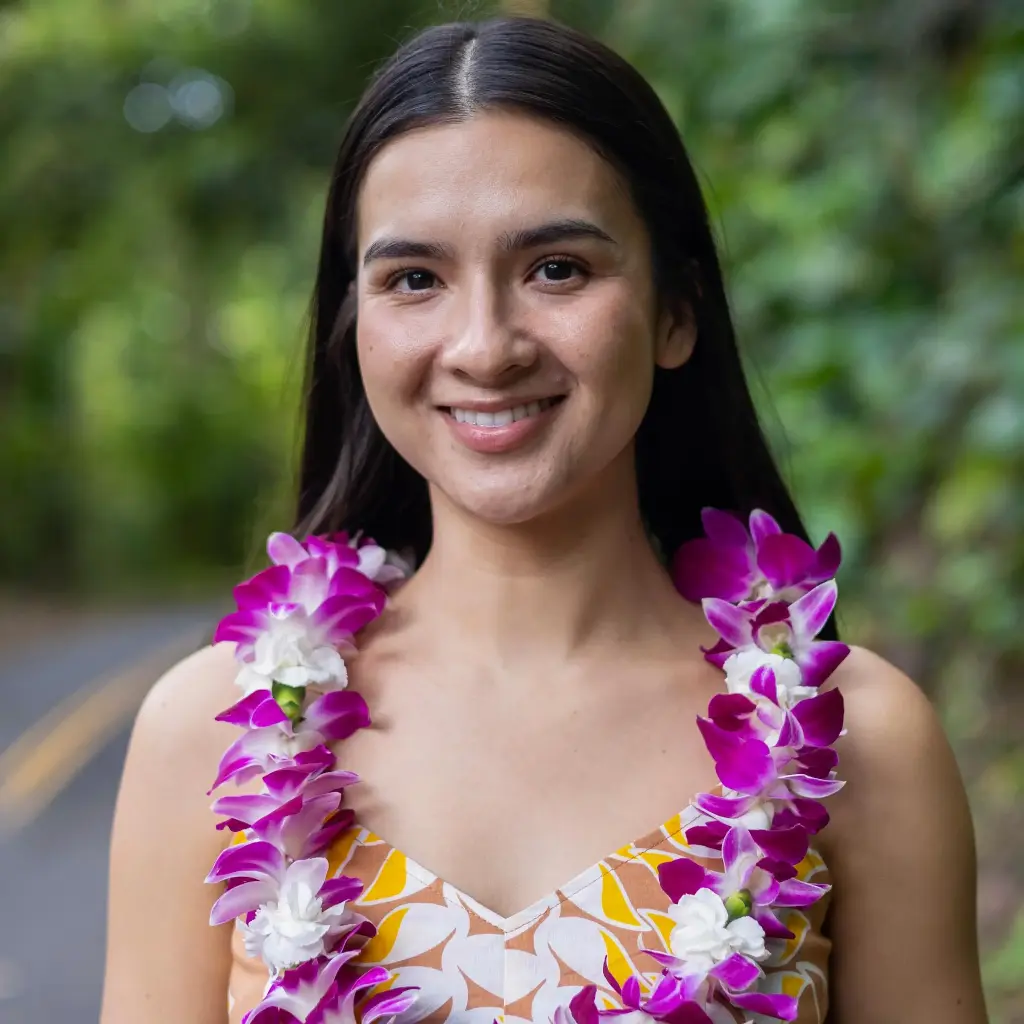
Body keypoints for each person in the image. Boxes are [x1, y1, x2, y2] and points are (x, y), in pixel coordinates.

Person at [99, 15, 988, 1024]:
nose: (485, 346)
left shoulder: (857, 738)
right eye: (414, 279)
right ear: (356, 329)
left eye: (556, 268)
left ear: (674, 312)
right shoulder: (212, 733)